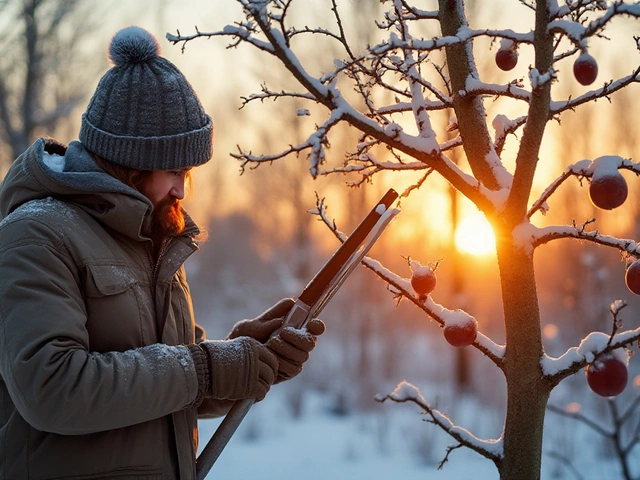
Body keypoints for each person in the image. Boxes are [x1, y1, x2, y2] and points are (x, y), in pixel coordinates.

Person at [0, 26, 325, 479]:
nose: (181, 187)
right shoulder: (37, 234)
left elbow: (168, 389)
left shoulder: (152, 240)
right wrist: (209, 366)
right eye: (173, 169)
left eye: (187, 171)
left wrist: (246, 359)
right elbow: (51, 389)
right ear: (128, 162)